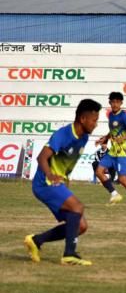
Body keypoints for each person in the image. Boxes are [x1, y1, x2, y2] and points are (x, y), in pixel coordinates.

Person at [24, 99, 101, 266]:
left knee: (80, 226)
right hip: (45, 183)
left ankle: (36, 240)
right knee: (78, 207)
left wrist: (65, 180)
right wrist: (51, 175)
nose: (96, 124)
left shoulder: (84, 137)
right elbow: (41, 157)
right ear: (83, 119)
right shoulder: (63, 134)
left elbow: (66, 162)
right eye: (94, 120)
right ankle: (69, 254)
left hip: (58, 184)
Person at [95, 92, 126, 210]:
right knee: (99, 171)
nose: (115, 104)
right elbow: (113, 131)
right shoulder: (111, 115)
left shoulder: (124, 115)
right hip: (113, 151)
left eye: (117, 102)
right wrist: (105, 138)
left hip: (123, 152)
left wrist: (123, 138)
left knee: (122, 179)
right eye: (113, 102)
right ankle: (114, 194)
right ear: (109, 103)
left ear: (121, 103)